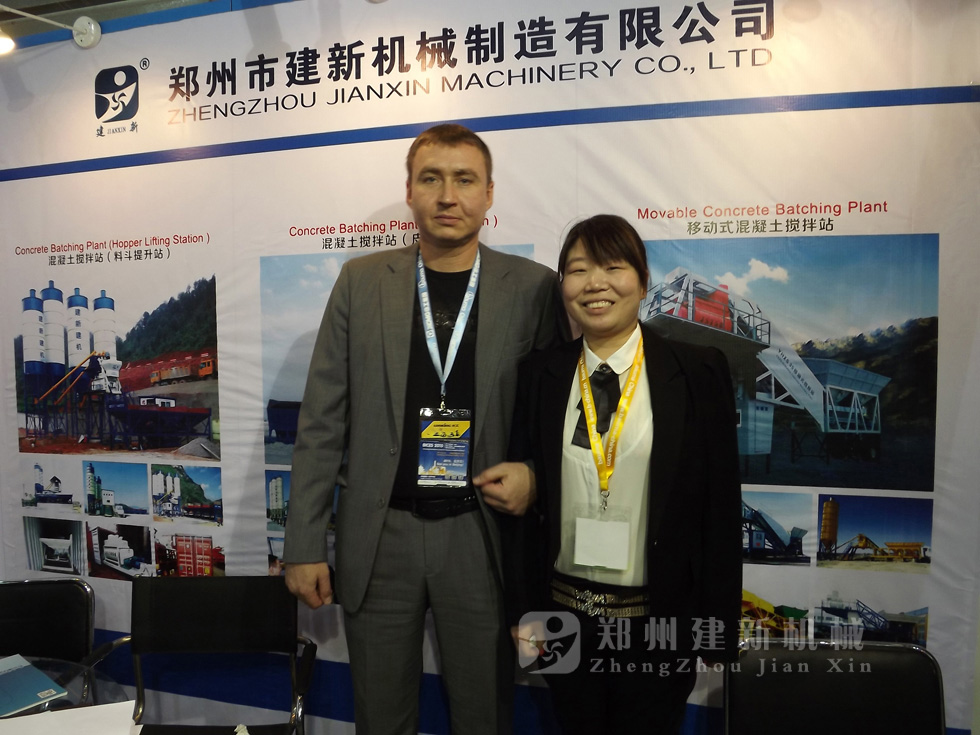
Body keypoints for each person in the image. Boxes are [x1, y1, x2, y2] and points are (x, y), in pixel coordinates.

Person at [282, 123, 561, 735]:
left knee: (485, 717)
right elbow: (322, 420)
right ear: (409, 191)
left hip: (482, 535)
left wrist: (536, 475)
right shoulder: (361, 281)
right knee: (381, 718)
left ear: (489, 194)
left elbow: (556, 416)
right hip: (381, 536)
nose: (448, 196)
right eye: (431, 178)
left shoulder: (533, 287)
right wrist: (303, 544)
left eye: (465, 180)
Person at [496, 214, 742, 735]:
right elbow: (525, 511)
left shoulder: (697, 370)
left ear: (643, 281)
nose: (595, 283)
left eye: (613, 267)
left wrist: (716, 626)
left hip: (658, 622)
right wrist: (524, 614)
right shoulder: (541, 374)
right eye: (578, 269)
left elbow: (720, 505)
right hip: (562, 617)